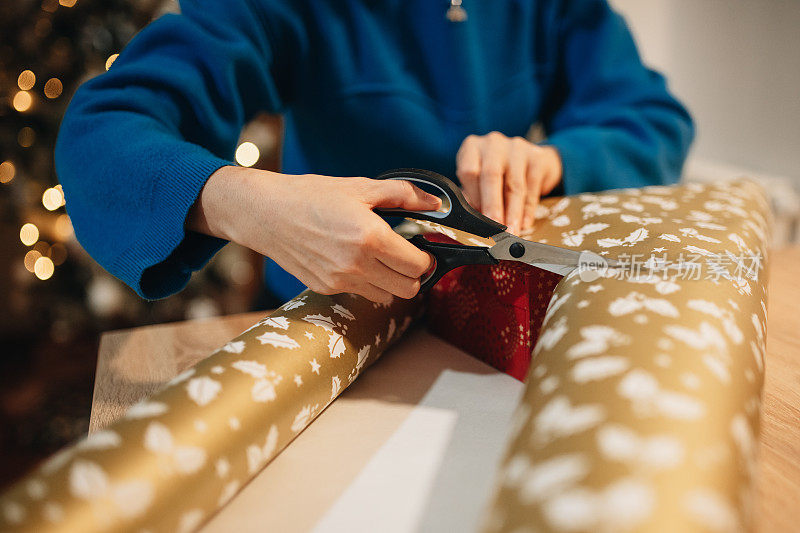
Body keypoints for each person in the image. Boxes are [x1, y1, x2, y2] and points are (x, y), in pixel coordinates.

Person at [56, 0, 694, 306]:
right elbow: (103, 132)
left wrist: (555, 159)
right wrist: (249, 205)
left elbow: (650, 120)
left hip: (494, 318)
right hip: (321, 316)